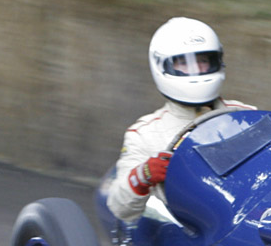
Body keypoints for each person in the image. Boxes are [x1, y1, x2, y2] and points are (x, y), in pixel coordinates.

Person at [107, 17, 255, 222]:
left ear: (217, 62)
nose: (197, 69)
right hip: (191, 228)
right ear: (162, 67)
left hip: (248, 215)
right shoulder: (144, 134)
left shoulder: (246, 115)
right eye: (183, 63)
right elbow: (119, 207)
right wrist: (144, 175)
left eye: (203, 61)